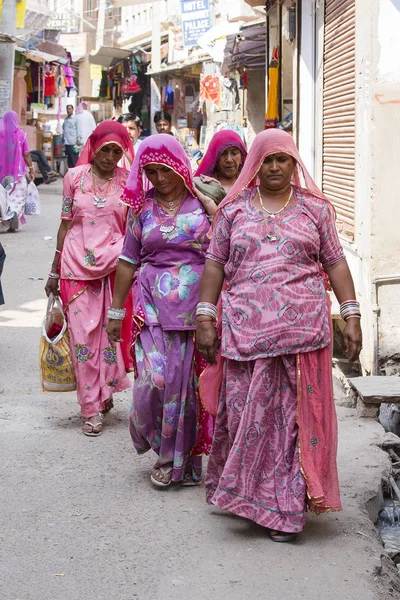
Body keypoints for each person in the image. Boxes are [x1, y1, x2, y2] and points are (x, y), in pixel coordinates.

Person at [196, 129, 362, 542]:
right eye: (266, 159)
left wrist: (351, 312)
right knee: (246, 420)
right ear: (256, 163)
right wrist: (204, 316)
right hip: (244, 338)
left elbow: (336, 263)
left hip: (302, 339)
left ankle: (283, 508)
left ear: (293, 164)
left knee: (290, 425)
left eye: (282, 160)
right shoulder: (232, 211)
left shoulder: (315, 210)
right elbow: (215, 266)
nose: (274, 167)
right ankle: (248, 496)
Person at [106, 134, 214, 487]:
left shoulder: (204, 202)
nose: (158, 178)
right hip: (151, 305)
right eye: (150, 171)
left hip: (198, 306)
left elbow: (227, 249)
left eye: (164, 169)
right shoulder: (141, 208)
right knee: (154, 381)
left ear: (179, 165)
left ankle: (177, 460)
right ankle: (162, 446)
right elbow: (127, 259)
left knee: (192, 389)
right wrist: (115, 311)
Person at [44, 122, 135, 437]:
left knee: (106, 338)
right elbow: (65, 224)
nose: (110, 157)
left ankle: (103, 391)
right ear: (93, 146)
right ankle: (90, 408)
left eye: (116, 151)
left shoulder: (129, 182)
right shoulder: (73, 178)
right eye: (105, 149)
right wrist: (54, 270)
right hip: (74, 268)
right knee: (83, 340)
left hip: (113, 270)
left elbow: (136, 226)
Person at [0, 110, 34, 233]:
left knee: (4, 197)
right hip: (18, 174)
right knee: (18, 197)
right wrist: (31, 169)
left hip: (2, 174)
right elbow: (26, 154)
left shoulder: (0, 135)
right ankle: (14, 213)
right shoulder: (21, 135)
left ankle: (5, 221)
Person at [195, 129, 247, 194]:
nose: (229, 160)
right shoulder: (203, 185)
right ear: (215, 158)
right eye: (223, 153)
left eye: (234, 153)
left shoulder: (250, 183)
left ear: (242, 158)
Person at [62, 105, 78, 169]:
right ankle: (71, 175)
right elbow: (63, 129)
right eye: (67, 109)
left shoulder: (75, 119)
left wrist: (79, 139)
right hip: (66, 142)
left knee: (74, 159)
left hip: (73, 142)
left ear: (72, 109)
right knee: (69, 160)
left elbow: (78, 129)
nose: (68, 111)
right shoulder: (66, 119)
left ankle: (76, 175)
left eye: (70, 109)